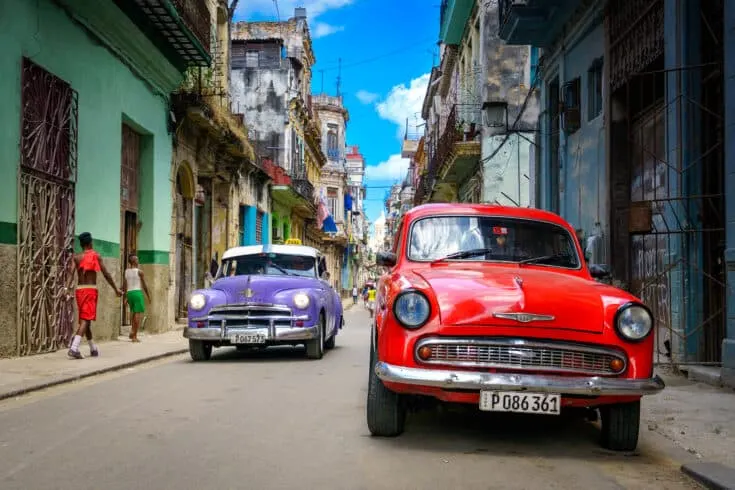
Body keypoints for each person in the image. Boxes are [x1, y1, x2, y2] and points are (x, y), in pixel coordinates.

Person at [69, 232, 122, 359]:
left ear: (81, 244)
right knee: (86, 319)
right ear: (90, 243)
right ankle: (74, 348)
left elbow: (70, 274)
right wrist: (116, 289)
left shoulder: (76, 257)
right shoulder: (95, 256)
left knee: (85, 320)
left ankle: (93, 348)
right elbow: (106, 274)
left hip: (79, 290)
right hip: (90, 290)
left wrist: (66, 288)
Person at [123, 254, 151, 343]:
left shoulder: (126, 271)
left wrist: (126, 297)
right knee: (137, 315)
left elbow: (125, 285)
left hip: (129, 293)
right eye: (137, 260)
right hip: (137, 293)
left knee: (134, 313)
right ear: (134, 261)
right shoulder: (139, 272)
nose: (138, 261)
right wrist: (148, 296)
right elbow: (144, 285)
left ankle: (132, 332)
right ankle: (134, 336)